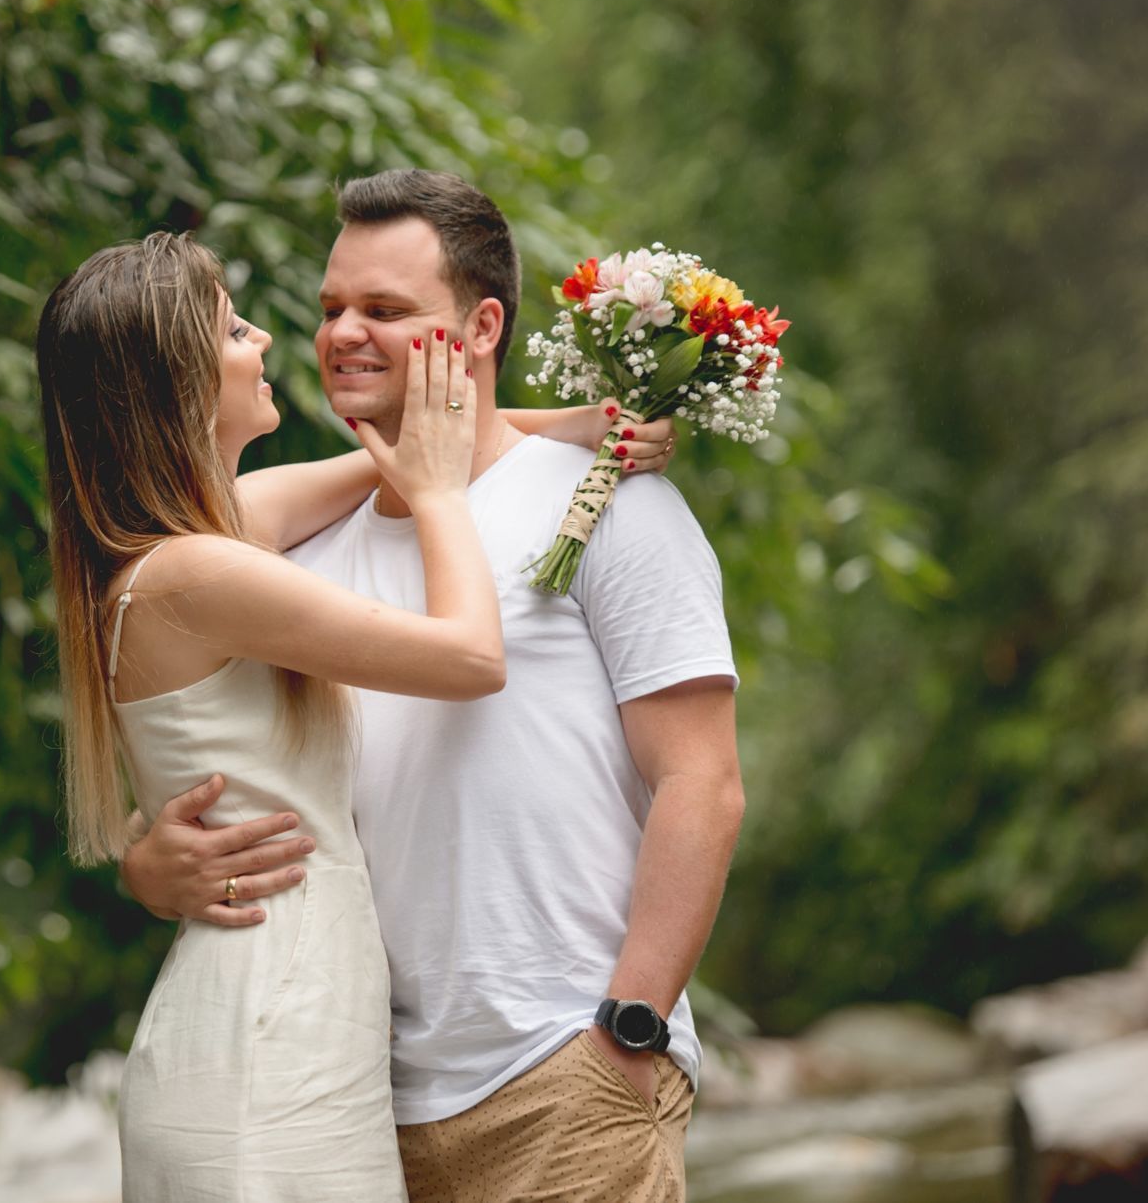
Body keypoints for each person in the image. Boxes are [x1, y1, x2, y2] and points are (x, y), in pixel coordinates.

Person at [121, 170, 743, 1203]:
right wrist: (150, 866)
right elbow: (230, 765)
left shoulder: (604, 506)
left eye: (385, 310)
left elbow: (703, 783)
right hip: (355, 1104)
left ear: (482, 325)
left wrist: (629, 1029)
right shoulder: (289, 558)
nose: (343, 333)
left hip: (563, 1073)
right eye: (331, 309)